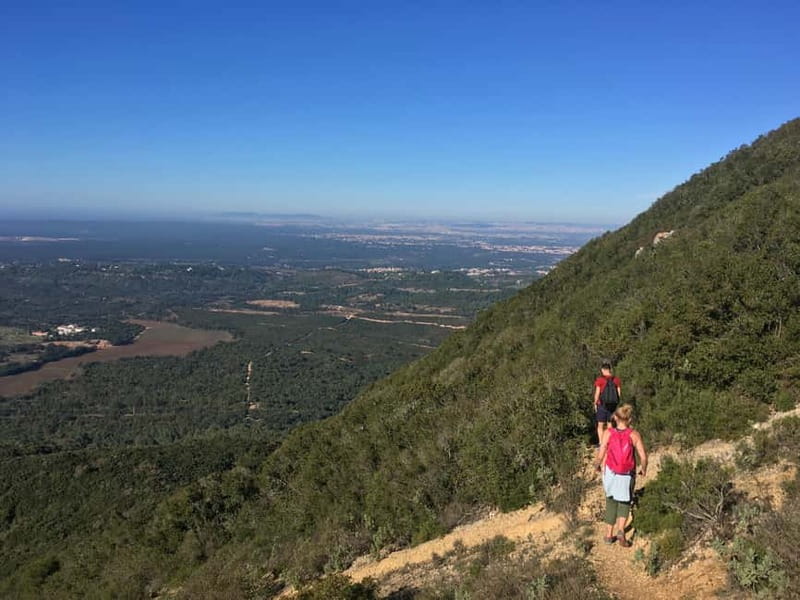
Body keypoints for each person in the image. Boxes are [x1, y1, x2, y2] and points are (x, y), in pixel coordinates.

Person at [593, 404, 647, 547]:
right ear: (630, 419)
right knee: (624, 501)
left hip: (610, 471)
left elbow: (602, 451)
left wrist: (597, 465)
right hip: (627, 474)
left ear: (615, 418)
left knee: (611, 500)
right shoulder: (634, 435)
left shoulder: (608, 433)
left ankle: (608, 535)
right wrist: (644, 468)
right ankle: (621, 530)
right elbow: (643, 455)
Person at [593, 361, 621, 445]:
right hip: (612, 406)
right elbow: (619, 393)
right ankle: (609, 442)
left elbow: (597, 393)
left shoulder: (600, 380)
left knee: (600, 425)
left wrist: (595, 403)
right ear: (610, 369)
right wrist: (616, 403)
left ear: (602, 370)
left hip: (602, 405)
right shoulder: (616, 380)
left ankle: (601, 443)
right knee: (610, 425)